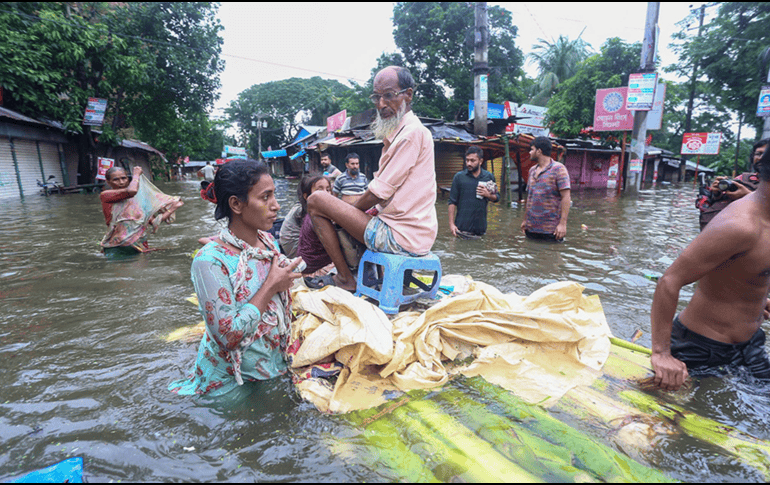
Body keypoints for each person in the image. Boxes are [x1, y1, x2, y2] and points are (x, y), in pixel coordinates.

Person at [168, 159, 303, 397]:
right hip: (229, 383)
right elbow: (229, 337)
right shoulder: (209, 261)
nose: (277, 206)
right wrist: (271, 286)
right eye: (266, 197)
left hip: (272, 368)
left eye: (274, 196)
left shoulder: (267, 241)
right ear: (236, 204)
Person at [305, 66, 437, 291]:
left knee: (317, 200)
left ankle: (346, 279)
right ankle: (361, 274)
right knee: (344, 208)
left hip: (400, 236)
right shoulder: (402, 134)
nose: (381, 104)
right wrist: (352, 212)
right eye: (377, 97)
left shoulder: (411, 134)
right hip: (409, 233)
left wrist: (350, 212)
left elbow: (378, 192)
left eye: (388, 95)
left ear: (408, 94)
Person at [650, 149, 770, 391]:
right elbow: (669, 281)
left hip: (751, 342)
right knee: (677, 424)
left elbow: (750, 270)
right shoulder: (741, 226)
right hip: (701, 348)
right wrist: (661, 353)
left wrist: (759, 297)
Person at [99, 166, 183, 255]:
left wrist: (173, 207)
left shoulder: (140, 199)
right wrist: (136, 175)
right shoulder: (106, 196)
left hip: (139, 245)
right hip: (118, 245)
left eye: (124, 178)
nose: (121, 182)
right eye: (116, 180)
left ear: (128, 178)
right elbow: (132, 191)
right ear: (108, 182)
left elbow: (154, 222)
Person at [695, 139, 768, 231]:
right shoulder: (742, 178)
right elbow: (718, 201)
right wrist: (716, 193)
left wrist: (748, 196)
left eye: (766, 155)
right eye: (758, 154)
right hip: (714, 233)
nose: (761, 158)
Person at [520, 136, 570, 242]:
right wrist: (525, 220)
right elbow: (529, 196)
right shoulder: (532, 170)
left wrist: (562, 224)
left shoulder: (559, 169)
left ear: (539, 151)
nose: (529, 152)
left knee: (550, 256)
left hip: (550, 230)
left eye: (532, 149)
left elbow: (566, 197)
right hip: (531, 228)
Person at [448, 146, 499, 238]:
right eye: (467, 160)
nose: (468, 163)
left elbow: (497, 198)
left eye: (472, 160)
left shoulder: (488, 177)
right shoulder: (459, 177)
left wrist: (488, 195)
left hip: (480, 229)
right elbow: (452, 202)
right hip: (461, 229)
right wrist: (451, 224)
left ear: (480, 161)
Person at [297, 176, 336, 275]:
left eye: (328, 189)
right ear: (307, 197)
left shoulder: (317, 214)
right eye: (320, 190)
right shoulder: (316, 218)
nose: (326, 193)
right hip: (314, 271)